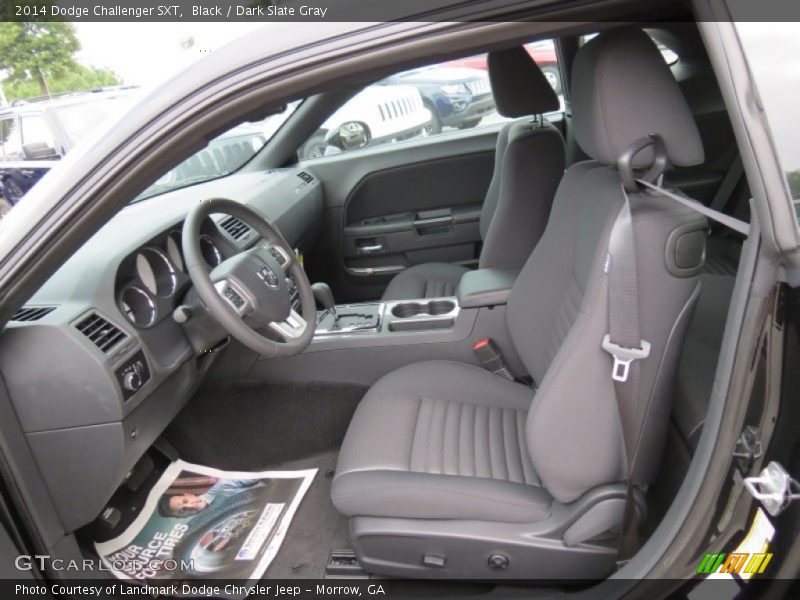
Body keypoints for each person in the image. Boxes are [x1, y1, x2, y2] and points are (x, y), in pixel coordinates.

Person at [157, 478, 265, 518]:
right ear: (182, 517)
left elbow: (261, 475)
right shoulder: (208, 524)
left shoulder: (224, 485)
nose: (189, 506)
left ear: (188, 495)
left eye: (185, 501)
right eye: (182, 510)